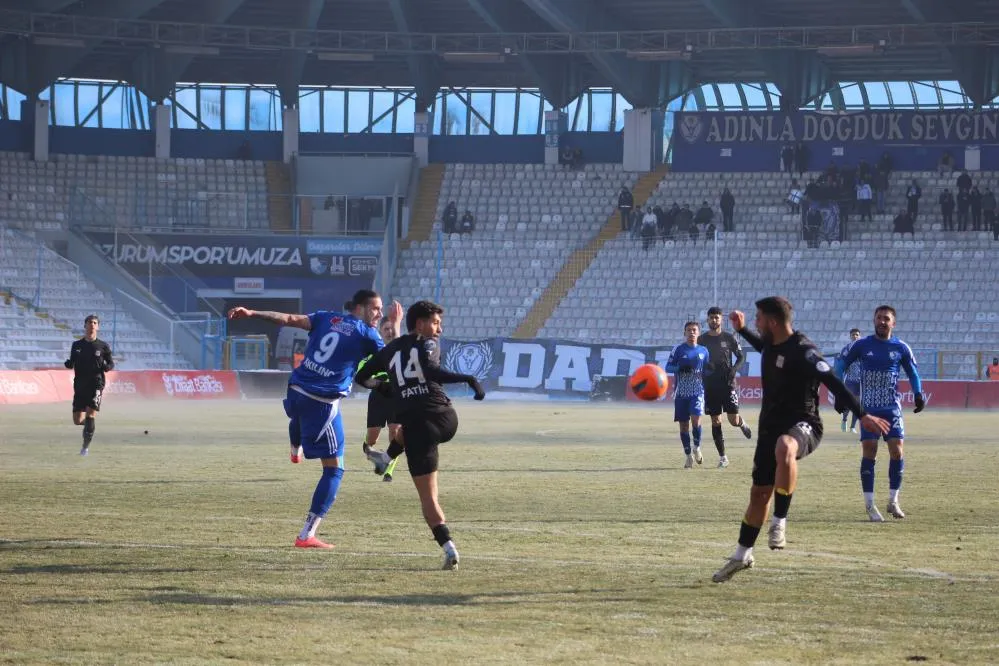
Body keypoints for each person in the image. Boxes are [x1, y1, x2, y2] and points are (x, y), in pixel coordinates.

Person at [712, 298, 889, 583]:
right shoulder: (772, 343)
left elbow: (833, 381)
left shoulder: (805, 351)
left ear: (772, 321)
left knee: (786, 447)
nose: (756, 322)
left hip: (804, 424)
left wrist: (862, 414)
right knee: (758, 496)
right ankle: (741, 555)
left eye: (758, 319)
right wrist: (743, 330)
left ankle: (780, 522)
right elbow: (765, 349)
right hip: (769, 427)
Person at [227, 290, 402, 549]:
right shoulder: (366, 333)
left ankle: (294, 448)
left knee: (298, 416)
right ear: (360, 308)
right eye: (375, 309)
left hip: (295, 388)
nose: (379, 315)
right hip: (321, 402)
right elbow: (396, 357)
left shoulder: (325, 318)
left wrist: (253, 313)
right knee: (335, 469)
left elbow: (286, 318)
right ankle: (306, 534)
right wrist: (396, 326)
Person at [355, 300, 486, 570]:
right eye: (435, 323)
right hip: (445, 419)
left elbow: (362, 377)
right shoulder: (427, 343)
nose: (438, 330)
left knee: (429, 498)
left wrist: (383, 387)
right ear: (420, 324)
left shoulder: (390, 350)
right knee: (407, 431)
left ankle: (449, 548)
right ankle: (384, 458)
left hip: (420, 426)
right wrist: (468, 379)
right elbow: (429, 370)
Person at [841, 306, 925, 522]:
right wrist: (840, 392)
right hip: (868, 408)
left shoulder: (901, 347)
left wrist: (918, 393)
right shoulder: (861, 345)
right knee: (869, 451)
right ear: (874, 321)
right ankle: (870, 505)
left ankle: (893, 500)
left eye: (886, 319)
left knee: (897, 451)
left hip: (891, 408)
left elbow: (913, 372)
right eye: (879, 318)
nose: (882, 321)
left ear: (893, 323)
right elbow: (841, 364)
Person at [697, 307, 753, 468]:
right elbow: (698, 360)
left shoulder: (729, 338)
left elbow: (741, 357)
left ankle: (741, 424)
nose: (714, 320)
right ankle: (723, 458)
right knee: (716, 421)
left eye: (717, 318)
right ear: (707, 320)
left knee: (733, 420)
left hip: (728, 385)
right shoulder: (701, 340)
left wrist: (734, 370)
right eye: (711, 318)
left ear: (722, 320)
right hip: (710, 386)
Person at [65, 314, 114, 456]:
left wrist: (107, 366)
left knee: (91, 414)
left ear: (97, 326)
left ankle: (85, 448)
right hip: (80, 384)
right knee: (77, 420)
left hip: (96, 384)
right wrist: (69, 364)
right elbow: (72, 362)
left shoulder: (103, 346)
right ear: (85, 325)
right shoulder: (77, 345)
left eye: (94, 322)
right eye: (89, 322)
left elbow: (111, 363)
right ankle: (90, 426)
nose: (92, 325)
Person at [360, 318, 403, 482]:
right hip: (378, 397)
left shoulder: (402, 350)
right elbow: (362, 373)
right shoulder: (374, 351)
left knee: (396, 434)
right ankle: (367, 447)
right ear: (380, 331)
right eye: (386, 329)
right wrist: (378, 382)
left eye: (392, 328)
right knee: (372, 439)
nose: (390, 332)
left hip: (397, 397)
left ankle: (388, 470)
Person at [665, 322, 709, 469]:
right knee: (684, 426)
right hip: (681, 392)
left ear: (698, 333)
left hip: (697, 391)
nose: (691, 332)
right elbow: (667, 367)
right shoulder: (678, 349)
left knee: (696, 420)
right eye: (689, 330)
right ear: (685, 333)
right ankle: (688, 455)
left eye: (694, 330)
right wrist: (679, 367)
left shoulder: (704, 351)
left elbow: (707, 370)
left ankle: (697, 447)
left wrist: (712, 371)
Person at [834, 328, 863, 433]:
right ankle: (844, 420)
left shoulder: (863, 349)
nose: (855, 336)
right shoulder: (846, 349)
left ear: (860, 336)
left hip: (860, 382)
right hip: (850, 380)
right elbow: (841, 364)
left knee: (858, 405)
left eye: (857, 334)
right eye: (853, 335)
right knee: (849, 404)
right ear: (850, 336)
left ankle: (852, 427)